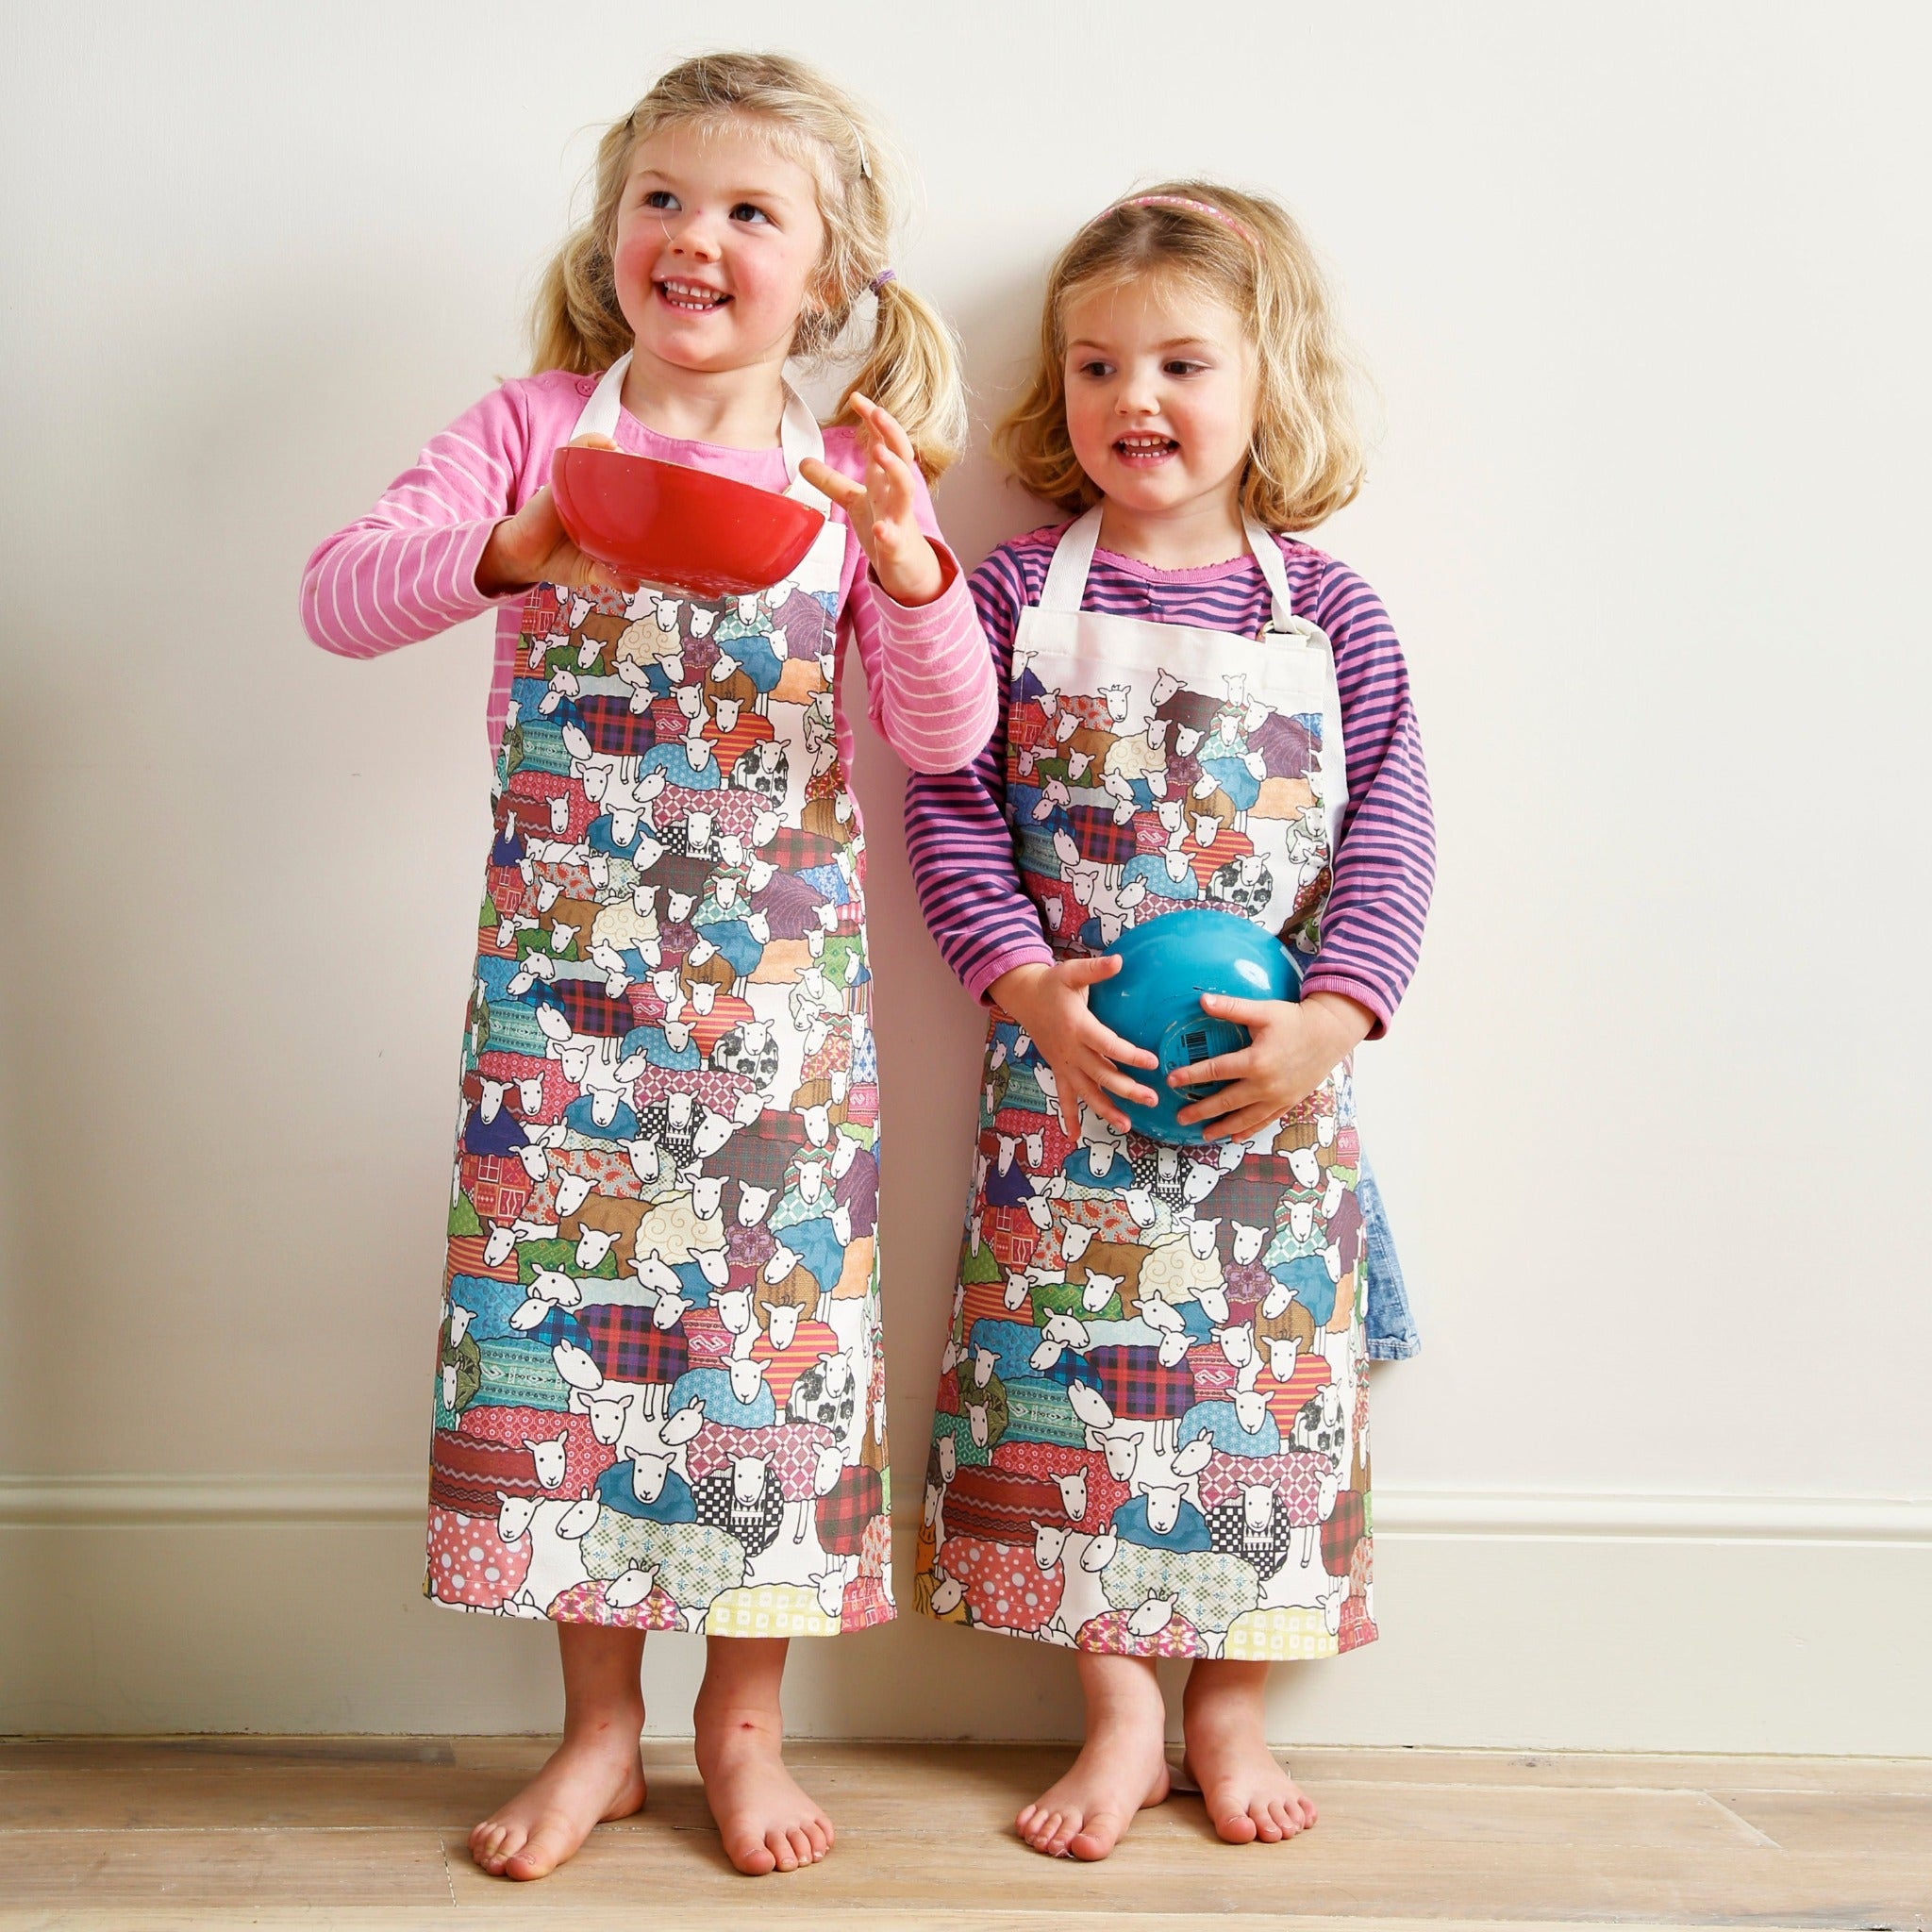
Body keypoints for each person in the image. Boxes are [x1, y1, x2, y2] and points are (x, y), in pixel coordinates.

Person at [300, 50, 994, 1883]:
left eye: (749, 212)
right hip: (559, 992)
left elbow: (942, 740)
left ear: (828, 276)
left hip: (770, 1020)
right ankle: (597, 1729)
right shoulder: (534, 428)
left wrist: (917, 578)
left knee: (748, 1369)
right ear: (613, 235)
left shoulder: (846, 464)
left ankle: (735, 1728)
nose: (694, 238)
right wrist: (510, 552)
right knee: (568, 1359)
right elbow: (339, 590)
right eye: (662, 200)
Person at [907, 184, 1434, 1859]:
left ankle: (1229, 1708)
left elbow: (1393, 828)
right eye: (1096, 365)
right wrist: (1018, 988)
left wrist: (1337, 1019)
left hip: (1265, 1094)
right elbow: (947, 806)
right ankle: (1124, 1712)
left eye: (1183, 365)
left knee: (1254, 1396)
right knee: (1091, 1388)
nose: (1138, 401)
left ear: (1265, 382)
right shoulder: (1007, 594)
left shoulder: (1330, 612)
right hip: (1074, 1076)